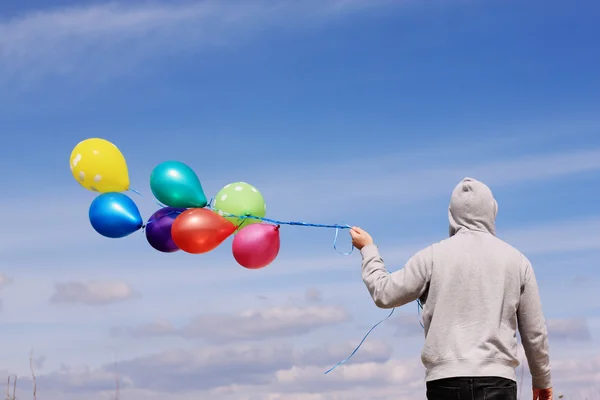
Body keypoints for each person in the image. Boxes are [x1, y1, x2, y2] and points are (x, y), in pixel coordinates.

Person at [349, 177, 553, 400]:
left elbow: (384, 294)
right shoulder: (517, 261)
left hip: (445, 383)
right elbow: (535, 333)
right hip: (498, 381)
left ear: (451, 214)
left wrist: (368, 250)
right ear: (492, 211)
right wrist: (542, 381)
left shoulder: (432, 256)